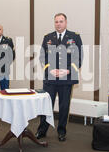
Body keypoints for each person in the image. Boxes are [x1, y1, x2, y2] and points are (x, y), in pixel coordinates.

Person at [36, 13, 83, 142]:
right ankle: (42, 130)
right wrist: (50, 70)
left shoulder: (74, 37)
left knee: (64, 106)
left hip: (66, 78)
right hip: (50, 78)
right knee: (46, 105)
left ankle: (61, 131)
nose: (58, 24)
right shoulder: (48, 37)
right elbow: (42, 57)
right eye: (56, 21)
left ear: (66, 22)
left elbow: (79, 58)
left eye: (61, 21)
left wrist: (67, 71)